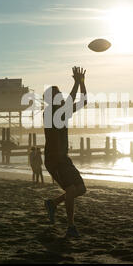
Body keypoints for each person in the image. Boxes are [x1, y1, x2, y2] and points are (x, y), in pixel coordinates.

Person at [43, 66, 88, 238]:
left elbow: (84, 101)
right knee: (70, 189)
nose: (60, 94)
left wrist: (82, 82)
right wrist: (76, 82)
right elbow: (70, 100)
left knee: (81, 189)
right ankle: (70, 226)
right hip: (54, 160)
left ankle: (53, 204)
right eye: (56, 93)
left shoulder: (62, 111)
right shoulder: (51, 112)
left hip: (64, 159)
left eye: (59, 92)